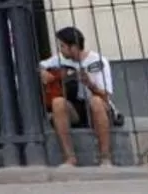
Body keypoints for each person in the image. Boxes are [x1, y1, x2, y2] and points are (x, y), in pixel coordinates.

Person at [39, 27, 114, 168]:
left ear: (73, 47)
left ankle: (105, 158)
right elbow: (39, 66)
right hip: (75, 109)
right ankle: (70, 158)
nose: (60, 49)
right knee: (57, 102)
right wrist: (43, 73)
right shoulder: (60, 59)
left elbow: (106, 95)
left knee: (96, 101)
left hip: (97, 108)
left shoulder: (98, 61)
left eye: (63, 46)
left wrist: (90, 84)